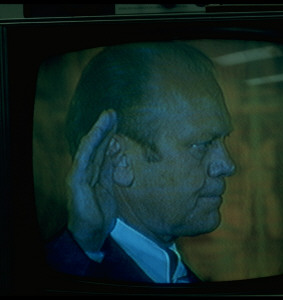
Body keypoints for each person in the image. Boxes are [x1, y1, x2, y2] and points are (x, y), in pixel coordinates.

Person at [45, 41, 236, 284]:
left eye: (223, 140)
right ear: (120, 159)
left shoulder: (176, 275)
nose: (227, 165)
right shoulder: (68, 271)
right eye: (202, 144)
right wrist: (81, 247)